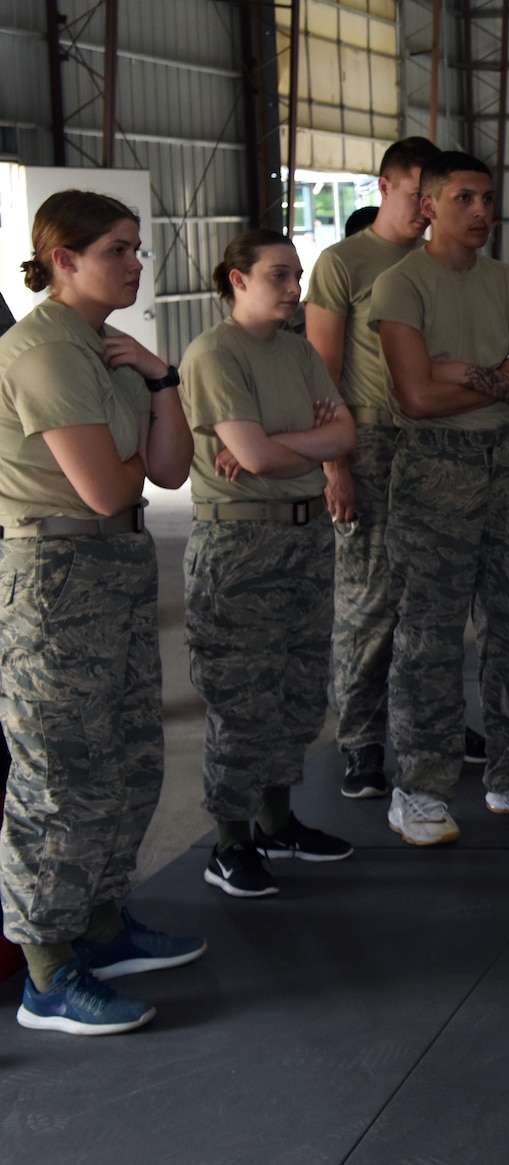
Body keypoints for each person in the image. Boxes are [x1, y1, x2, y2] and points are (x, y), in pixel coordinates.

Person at [0, 189, 202, 1034]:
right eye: (118, 249)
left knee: (127, 759)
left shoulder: (106, 347)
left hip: (113, 562)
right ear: (64, 260)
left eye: (136, 249)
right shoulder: (45, 352)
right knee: (59, 776)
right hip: (57, 573)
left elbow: (169, 468)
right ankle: (46, 968)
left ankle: (101, 924)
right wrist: (148, 396)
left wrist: (160, 379)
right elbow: (110, 482)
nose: (135, 264)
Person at [370, 150, 509, 846]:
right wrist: (499, 373)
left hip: (502, 466)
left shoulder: (507, 282)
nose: (481, 212)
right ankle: (419, 788)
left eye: (487, 199)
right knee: (429, 636)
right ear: (427, 206)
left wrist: (466, 373)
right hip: (431, 470)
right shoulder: (402, 286)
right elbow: (416, 397)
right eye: (464, 200)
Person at [182, 229, 359, 897]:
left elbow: (344, 434)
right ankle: (229, 842)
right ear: (238, 279)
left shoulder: (298, 351)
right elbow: (249, 461)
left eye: (298, 275)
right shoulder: (213, 354)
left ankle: (277, 820)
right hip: (239, 547)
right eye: (280, 276)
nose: (295, 289)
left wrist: (281, 443)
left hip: (306, 536)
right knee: (241, 697)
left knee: (297, 687)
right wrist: (300, 445)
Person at [304, 137, 468, 801]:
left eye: (437, 199)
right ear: (385, 186)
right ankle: (362, 741)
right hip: (369, 442)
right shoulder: (344, 264)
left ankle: (435, 726)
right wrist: (336, 465)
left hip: (439, 443)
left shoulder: (448, 264)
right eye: (415, 195)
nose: (427, 210)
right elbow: (321, 372)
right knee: (369, 603)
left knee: (437, 599)